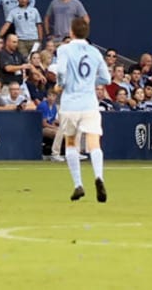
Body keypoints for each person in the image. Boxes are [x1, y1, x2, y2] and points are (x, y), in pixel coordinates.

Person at [48, 19, 110, 202]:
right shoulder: (95, 52)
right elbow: (106, 78)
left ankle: (78, 184)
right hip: (89, 103)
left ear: (71, 32)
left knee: (71, 142)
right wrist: (90, 83)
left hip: (70, 104)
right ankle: (99, 176)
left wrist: (61, 85)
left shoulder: (64, 49)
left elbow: (61, 72)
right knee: (94, 142)